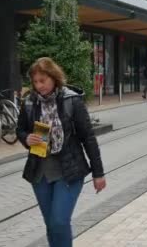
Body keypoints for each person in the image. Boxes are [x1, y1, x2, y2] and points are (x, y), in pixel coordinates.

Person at [16, 57, 106, 247]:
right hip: (40, 172)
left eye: (43, 80)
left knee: (59, 221)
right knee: (51, 224)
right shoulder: (30, 102)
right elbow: (21, 129)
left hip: (69, 170)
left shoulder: (71, 100)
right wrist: (26, 138)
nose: (39, 86)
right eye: (35, 82)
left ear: (54, 77)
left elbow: (88, 138)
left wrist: (98, 173)